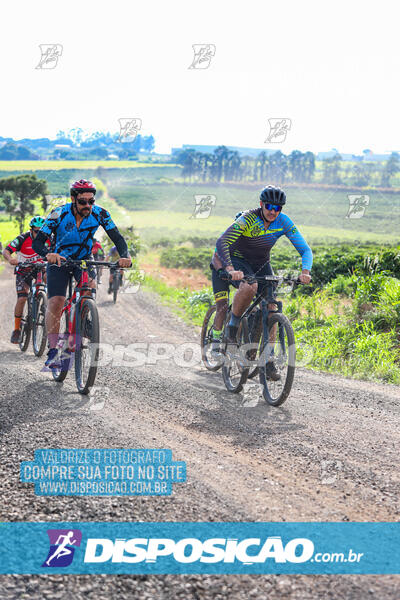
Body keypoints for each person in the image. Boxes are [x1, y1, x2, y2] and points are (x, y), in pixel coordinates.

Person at [211, 186, 313, 380]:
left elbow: (305, 250)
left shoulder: (283, 222)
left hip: (261, 264)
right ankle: (231, 329)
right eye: (269, 206)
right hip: (237, 261)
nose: (273, 211)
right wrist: (231, 270)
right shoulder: (248, 218)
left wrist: (305, 272)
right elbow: (222, 242)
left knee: (272, 307)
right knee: (247, 289)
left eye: (278, 208)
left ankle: (268, 361)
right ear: (261, 204)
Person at [33, 179, 132, 368]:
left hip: (84, 258)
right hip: (59, 259)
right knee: (56, 301)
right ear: (73, 199)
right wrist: (48, 254)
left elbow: (118, 238)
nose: (87, 205)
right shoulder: (58, 214)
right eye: (82, 201)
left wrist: (125, 256)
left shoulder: (100, 213)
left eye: (91, 201)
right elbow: (38, 243)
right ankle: (53, 350)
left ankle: (83, 318)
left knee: (90, 287)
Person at [2, 216, 48, 343]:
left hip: (40, 268)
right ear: (31, 230)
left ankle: (47, 299)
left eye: (42, 232)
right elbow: (6, 251)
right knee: (22, 298)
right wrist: (11, 259)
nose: (40, 234)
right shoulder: (22, 238)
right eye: (36, 231)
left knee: (49, 277)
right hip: (24, 271)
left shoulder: (49, 238)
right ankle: (16, 329)